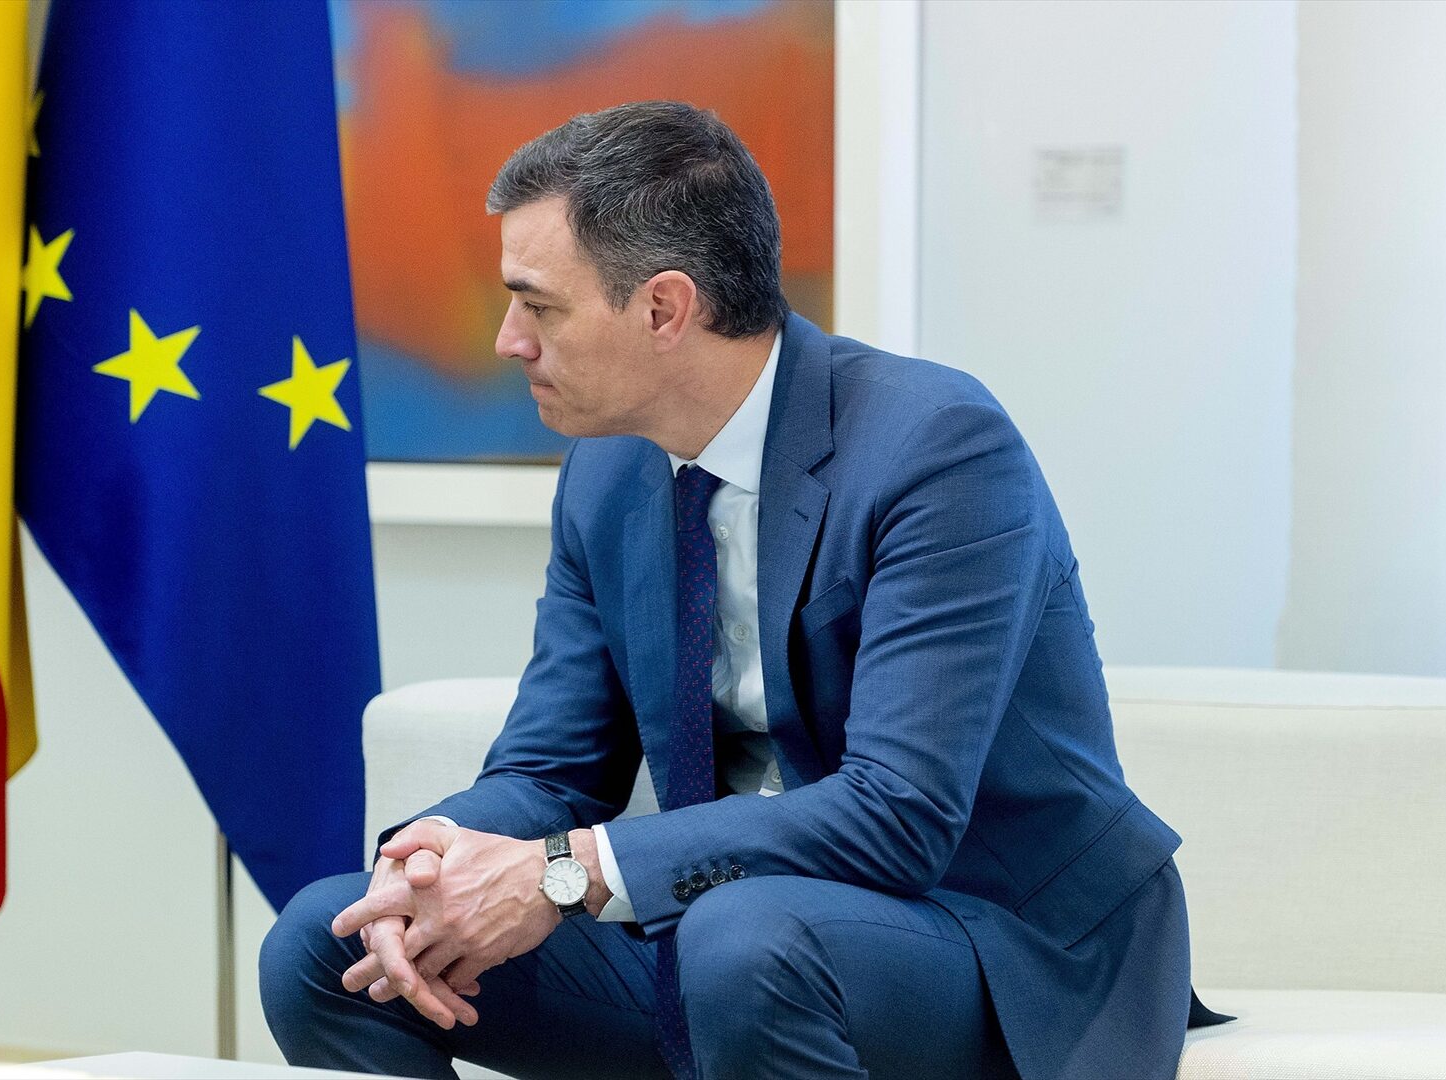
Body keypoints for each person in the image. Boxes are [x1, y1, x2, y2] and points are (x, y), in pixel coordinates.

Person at [260, 100, 1232, 1080]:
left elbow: (898, 813)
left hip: (987, 938)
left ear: (664, 309)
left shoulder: (936, 445)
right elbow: (553, 771)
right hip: (735, 937)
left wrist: (562, 872)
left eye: (539, 306)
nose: (509, 340)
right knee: (329, 944)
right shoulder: (606, 472)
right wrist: (433, 858)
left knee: (744, 939)